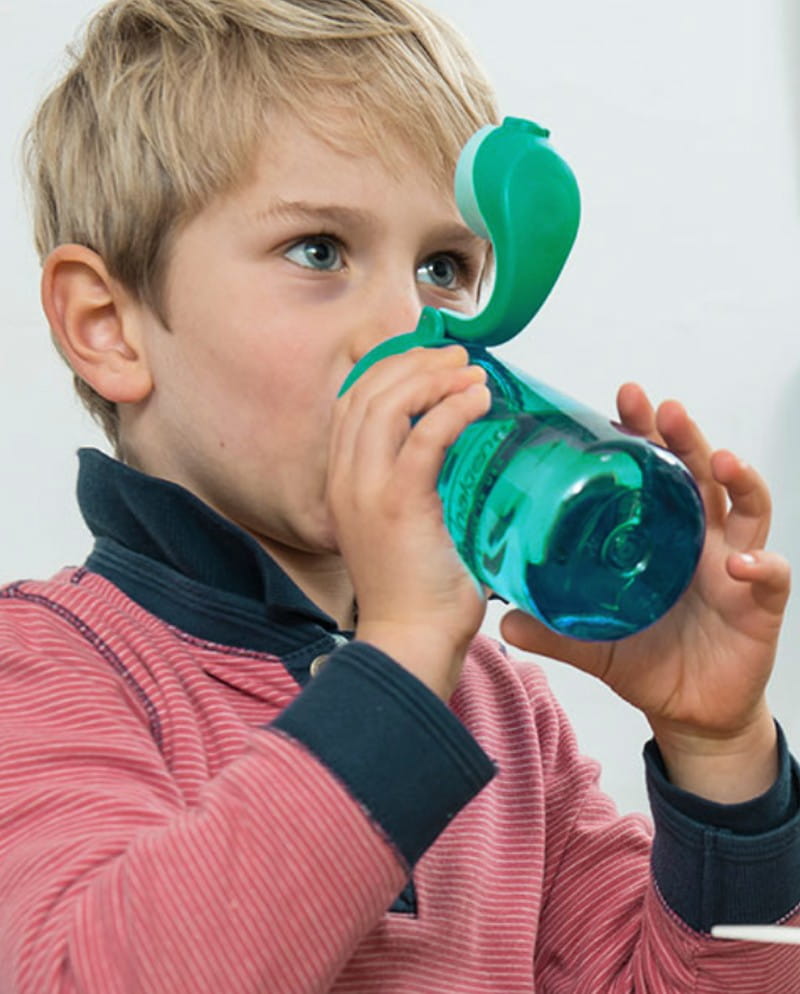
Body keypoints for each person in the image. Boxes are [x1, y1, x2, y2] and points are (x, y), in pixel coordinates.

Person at [0, 0, 797, 990]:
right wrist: (402, 660)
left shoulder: (501, 710)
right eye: (319, 250)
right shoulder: (44, 671)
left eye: (442, 267)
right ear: (109, 325)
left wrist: (720, 760)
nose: (406, 324)